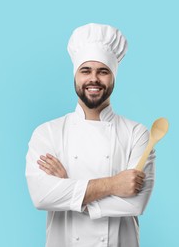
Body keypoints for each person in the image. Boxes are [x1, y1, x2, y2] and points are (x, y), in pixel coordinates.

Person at [25, 23, 156, 247]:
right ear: (75, 76)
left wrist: (67, 188)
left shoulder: (137, 133)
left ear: (113, 77)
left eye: (103, 71)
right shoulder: (47, 132)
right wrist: (114, 184)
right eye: (86, 71)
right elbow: (41, 196)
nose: (93, 79)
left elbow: (136, 203)